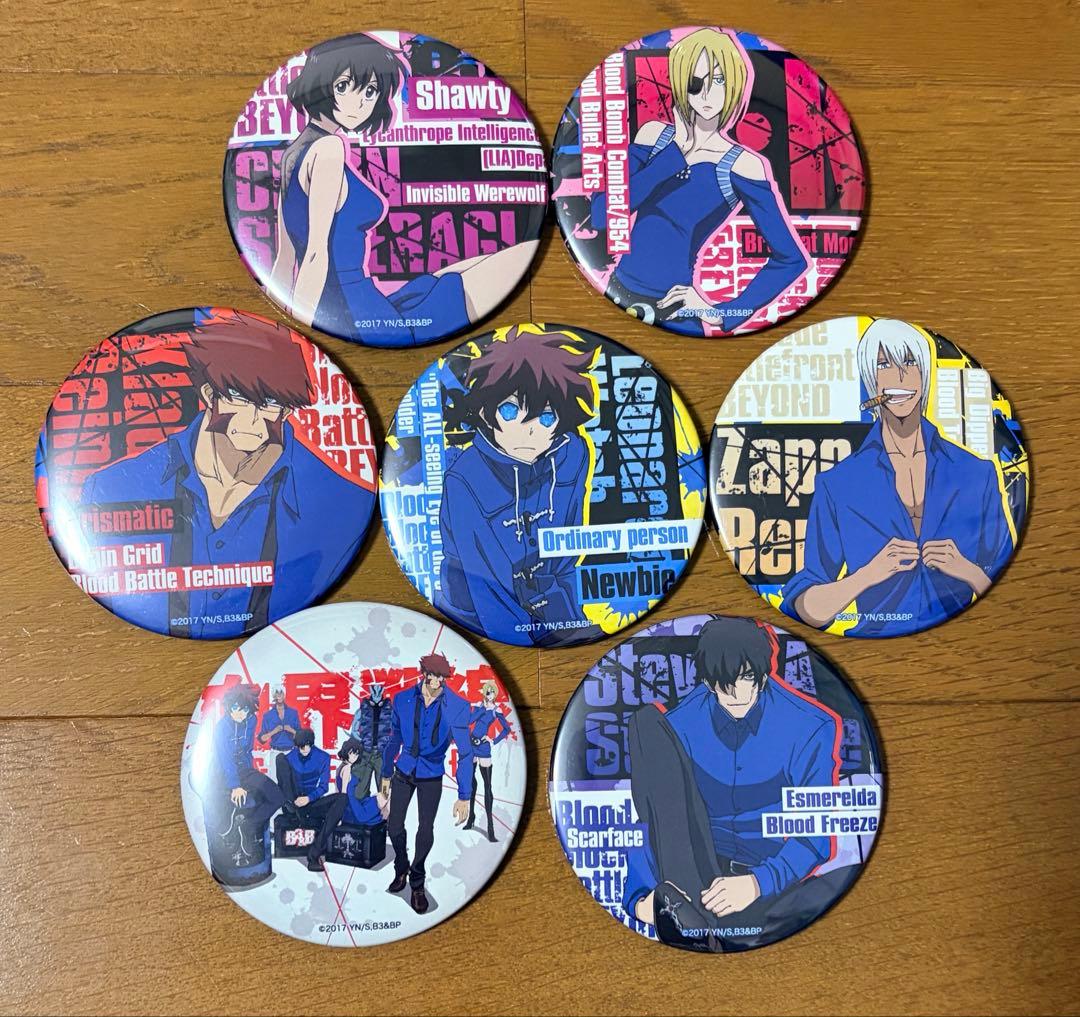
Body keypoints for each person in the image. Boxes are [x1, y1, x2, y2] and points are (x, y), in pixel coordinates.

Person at [78, 309, 374, 637]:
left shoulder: (341, 502)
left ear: (287, 410)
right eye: (237, 398)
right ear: (209, 395)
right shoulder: (110, 489)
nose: (251, 421)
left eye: (269, 404)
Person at [270, 33, 538, 345]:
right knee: (519, 254)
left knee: (487, 262)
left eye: (371, 91)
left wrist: (286, 325)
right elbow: (315, 254)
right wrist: (298, 340)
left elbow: (285, 259)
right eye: (344, 86)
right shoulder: (329, 148)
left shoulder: (292, 155)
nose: (360, 102)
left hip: (362, 306)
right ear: (319, 82)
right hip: (360, 314)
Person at [623, 618, 848, 952]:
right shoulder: (677, 725)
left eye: (747, 677)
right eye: (723, 682)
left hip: (775, 882)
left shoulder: (810, 727)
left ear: (763, 673)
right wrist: (641, 900)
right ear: (707, 680)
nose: (738, 694)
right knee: (645, 724)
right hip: (696, 880)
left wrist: (758, 883)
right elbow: (655, 818)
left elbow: (817, 834)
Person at [781, 318, 1015, 636]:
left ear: (925, 374)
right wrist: (867, 575)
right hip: (868, 648)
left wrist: (967, 570)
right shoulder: (838, 484)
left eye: (909, 362)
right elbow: (808, 609)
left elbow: (1009, 581)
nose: (899, 376)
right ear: (870, 380)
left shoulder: (976, 473)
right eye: (883, 365)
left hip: (969, 637)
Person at [591, 28, 808, 335]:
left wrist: (721, 313)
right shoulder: (654, 136)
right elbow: (602, 215)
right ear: (682, 84)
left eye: (718, 80)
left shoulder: (743, 165)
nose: (707, 95)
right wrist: (674, 154)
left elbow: (792, 259)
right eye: (696, 81)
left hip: (676, 313)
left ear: (734, 84)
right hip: (614, 292)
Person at [436, 325, 598, 644]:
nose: (529, 430)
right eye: (510, 410)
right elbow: (486, 584)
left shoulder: (573, 453)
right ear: (486, 412)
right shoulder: (465, 479)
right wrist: (534, 634)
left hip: (547, 597)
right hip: (477, 611)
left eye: (547, 417)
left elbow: (567, 545)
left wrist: (570, 618)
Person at [381, 652, 474, 913]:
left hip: (431, 774)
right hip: (404, 769)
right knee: (394, 826)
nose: (437, 682)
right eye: (433, 676)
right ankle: (401, 866)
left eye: (442, 677)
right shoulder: (402, 699)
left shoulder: (457, 706)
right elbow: (394, 738)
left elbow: (465, 753)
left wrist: (464, 795)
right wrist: (385, 774)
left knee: (425, 829)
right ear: (424, 674)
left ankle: (417, 880)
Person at [208, 684, 284, 878]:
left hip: (244, 769)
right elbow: (225, 758)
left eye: (244, 710)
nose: (239, 714)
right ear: (229, 706)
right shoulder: (222, 727)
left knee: (277, 796)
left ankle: (248, 826)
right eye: (235, 708)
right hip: (221, 773)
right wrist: (235, 786)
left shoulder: (251, 720)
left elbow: (248, 750)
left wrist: (252, 779)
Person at [274, 728, 348, 872]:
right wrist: (293, 801)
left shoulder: (323, 757)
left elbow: (324, 787)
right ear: (297, 746)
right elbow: (283, 784)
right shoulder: (288, 758)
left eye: (308, 745)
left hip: (311, 803)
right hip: (293, 803)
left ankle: (314, 853)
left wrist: (309, 798)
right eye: (302, 746)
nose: (305, 749)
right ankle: (294, 811)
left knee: (342, 799)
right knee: (279, 758)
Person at [464, 680, 511, 842]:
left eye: (491, 692)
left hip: (483, 747)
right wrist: (482, 708)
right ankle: (471, 817)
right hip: (472, 743)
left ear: (495, 694)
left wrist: (493, 740)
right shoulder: (479, 706)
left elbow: (506, 729)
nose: (489, 694)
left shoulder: (496, 710)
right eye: (487, 691)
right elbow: (470, 721)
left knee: (487, 785)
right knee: (471, 781)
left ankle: (490, 826)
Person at [346, 682, 392, 793]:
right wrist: (362, 741)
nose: (376, 695)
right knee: (360, 790)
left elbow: (397, 731)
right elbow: (354, 730)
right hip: (365, 753)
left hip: (382, 754)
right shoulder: (362, 710)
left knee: (385, 791)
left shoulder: (390, 711)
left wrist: (389, 743)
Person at [258, 685, 300, 751]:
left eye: (281, 693)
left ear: (284, 695)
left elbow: (301, 735)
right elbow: (261, 739)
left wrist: (291, 730)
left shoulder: (293, 713)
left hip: (291, 751)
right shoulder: (268, 715)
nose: (279, 695)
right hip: (275, 751)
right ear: (274, 696)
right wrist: (273, 732)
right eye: (277, 693)